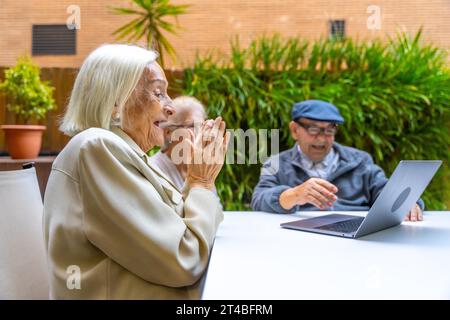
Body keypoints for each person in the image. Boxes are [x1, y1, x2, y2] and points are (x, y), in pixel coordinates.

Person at [43, 44, 229, 299]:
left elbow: (185, 228)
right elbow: (185, 259)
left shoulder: (126, 154)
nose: (171, 107)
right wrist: (200, 182)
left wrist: (198, 179)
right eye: (158, 92)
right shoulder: (97, 148)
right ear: (116, 102)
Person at [251, 100, 423, 221]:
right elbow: (259, 200)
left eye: (329, 130)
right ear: (295, 130)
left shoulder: (360, 160)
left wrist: (405, 202)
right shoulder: (275, 163)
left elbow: (384, 189)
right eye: (313, 130)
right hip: (299, 240)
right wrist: (294, 195)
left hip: (358, 240)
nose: (321, 139)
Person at [149, 96, 209, 191]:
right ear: (168, 132)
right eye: (192, 126)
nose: (201, 133)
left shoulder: (203, 169)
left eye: (203, 126)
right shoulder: (153, 171)